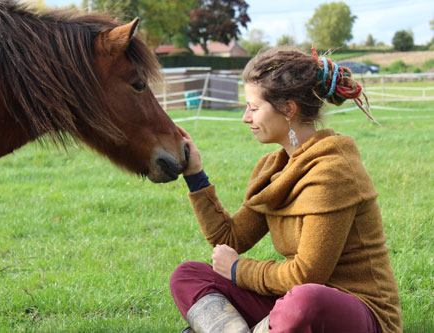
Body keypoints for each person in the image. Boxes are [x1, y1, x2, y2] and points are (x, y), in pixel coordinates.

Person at [170, 47, 402, 333]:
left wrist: (237, 270)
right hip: (290, 305)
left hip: (358, 312)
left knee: (306, 299)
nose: (246, 117)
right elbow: (229, 239)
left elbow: (307, 275)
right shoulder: (273, 168)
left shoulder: (334, 171)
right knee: (188, 274)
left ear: (288, 109)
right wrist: (195, 175)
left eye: (254, 108)